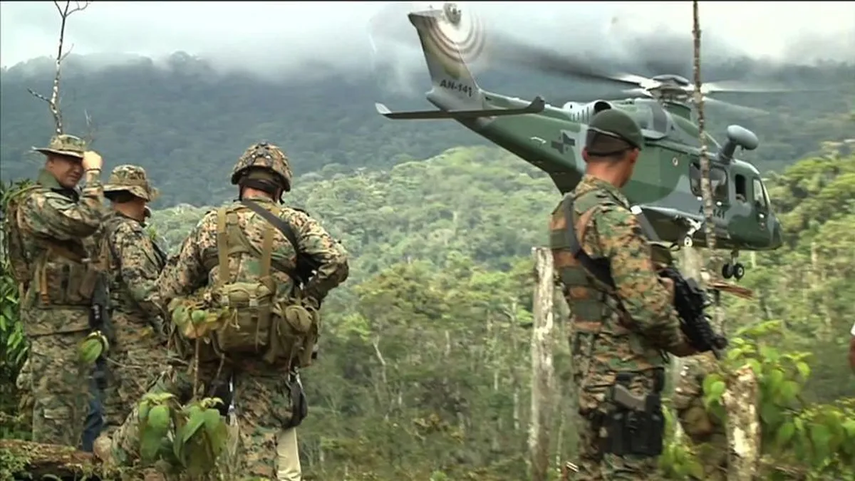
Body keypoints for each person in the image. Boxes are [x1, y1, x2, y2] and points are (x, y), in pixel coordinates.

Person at [102, 141, 349, 480]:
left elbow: (167, 290)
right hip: (270, 343)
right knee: (258, 432)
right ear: (279, 187)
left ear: (240, 182)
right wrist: (306, 297)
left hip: (213, 340)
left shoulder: (210, 225)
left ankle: (117, 457)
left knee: (166, 392)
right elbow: (336, 262)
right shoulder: (295, 223)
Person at [548, 109, 698, 480]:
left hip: (588, 371)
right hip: (626, 379)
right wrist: (682, 341)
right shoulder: (614, 218)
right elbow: (647, 309)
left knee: (592, 471)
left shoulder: (563, 214)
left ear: (586, 154)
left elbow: (587, 287)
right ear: (634, 155)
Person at [6, 134, 107, 448]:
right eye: (70, 161)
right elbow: (86, 221)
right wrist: (94, 174)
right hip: (54, 324)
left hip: (73, 321)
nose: (77, 168)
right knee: (57, 416)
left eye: (81, 162)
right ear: (50, 161)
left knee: (76, 412)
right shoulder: (38, 201)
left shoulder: (62, 199)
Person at [98, 165, 169, 437]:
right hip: (138, 340)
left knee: (115, 420)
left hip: (110, 334)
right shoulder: (129, 233)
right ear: (141, 198)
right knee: (146, 417)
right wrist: (170, 315)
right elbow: (141, 286)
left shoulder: (103, 228)